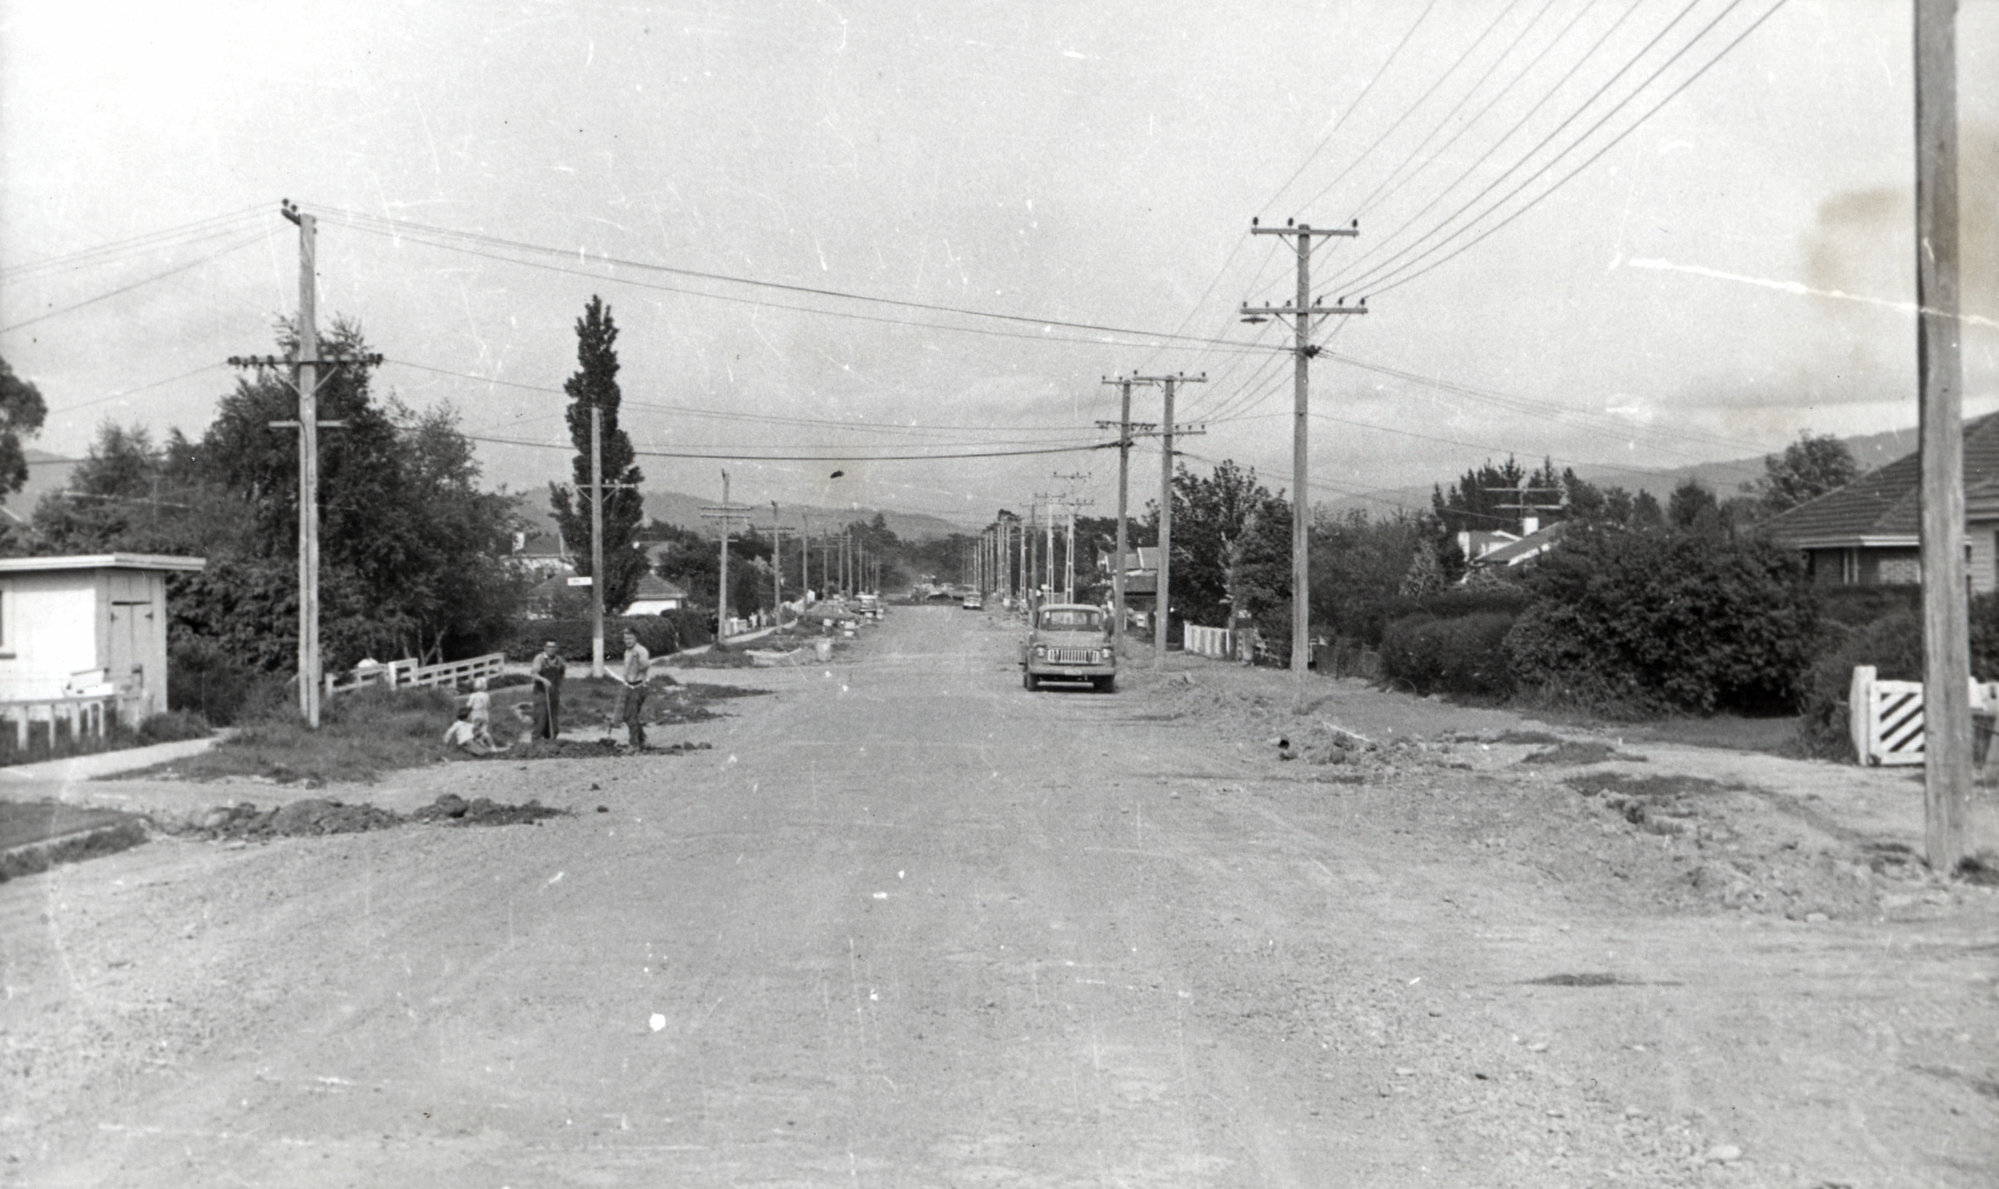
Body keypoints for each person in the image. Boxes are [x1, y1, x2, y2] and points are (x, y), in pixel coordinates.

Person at [615, 627, 651, 747]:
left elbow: (645, 666)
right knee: (626, 716)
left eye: (630, 638)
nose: (628, 641)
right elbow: (627, 670)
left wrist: (637, 660)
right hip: (629, 685)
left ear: (636, 638)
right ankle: (642, 739)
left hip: (639, 686)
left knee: (631, 716)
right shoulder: (627, 652)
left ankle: (634, 744)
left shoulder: (641, 651)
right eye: (626, 638)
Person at [530, 640, 565, 739]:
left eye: (553, 647)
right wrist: (543, 680)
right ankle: (536, 740)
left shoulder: (559, 660)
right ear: (545, 648)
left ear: (557, 648)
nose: (551, 649)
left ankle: (551, 740)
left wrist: (558, 685)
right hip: (541, 692)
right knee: (541, 716)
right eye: (549, 647)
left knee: (553, 718)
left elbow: (562, 673)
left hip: (554, 692)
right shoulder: (540, 658)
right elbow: (534, 674)